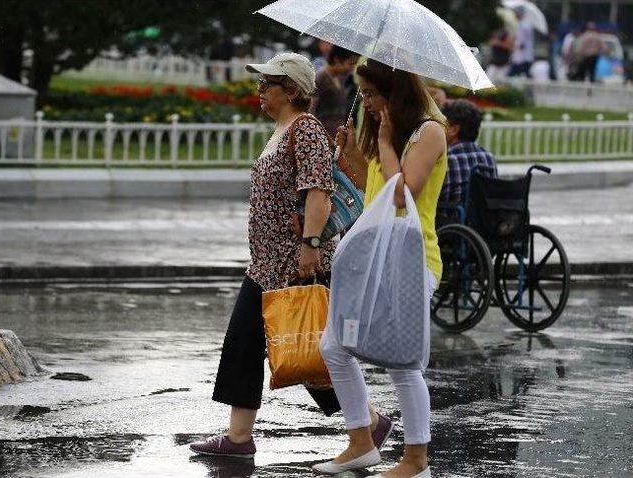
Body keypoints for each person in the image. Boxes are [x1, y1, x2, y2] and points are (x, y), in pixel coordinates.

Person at [188, 52, 341, 458]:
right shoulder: (281, 129)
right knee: (265, 346)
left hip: (293, 262)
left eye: (266, 84)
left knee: (308, 353)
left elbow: (319, 193)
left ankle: (370, 421)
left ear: (290, 89)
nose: (259, 92)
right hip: (267, 263)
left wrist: (310, 247)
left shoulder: (305, 129)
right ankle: (239, 438)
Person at [315, 59, 448, 478]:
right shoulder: (381, 132)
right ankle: (361, 441)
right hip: (370, 254)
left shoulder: (429, 131)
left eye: (372, 94)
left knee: (401, 361)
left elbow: (401, 195)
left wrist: (387, 141)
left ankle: (416, 460)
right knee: (334, 347)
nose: (366, 102)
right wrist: (353, 152)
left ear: (396, 92)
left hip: (411, 258)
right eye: (364, 94)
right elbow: (373, 188)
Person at [440, 100, 498, 205]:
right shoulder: (489, 158)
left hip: (450, 219)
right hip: (482, 220)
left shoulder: (444, 159)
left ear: (453, 129)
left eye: (441, 124)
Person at [310, 45, 360, 136]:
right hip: (324, 133)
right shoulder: (320, 78)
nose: (352, 68)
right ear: (337, 60)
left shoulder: (341, 78)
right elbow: (311, 109)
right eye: (350, 63)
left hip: (338, 133)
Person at [508, 6, 535, 78]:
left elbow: (522, 43)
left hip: (522, 57)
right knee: (526, 76)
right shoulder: (524, 24)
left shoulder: (523, 25)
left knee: (510, 75)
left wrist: (514, 46)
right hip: (524, 56)